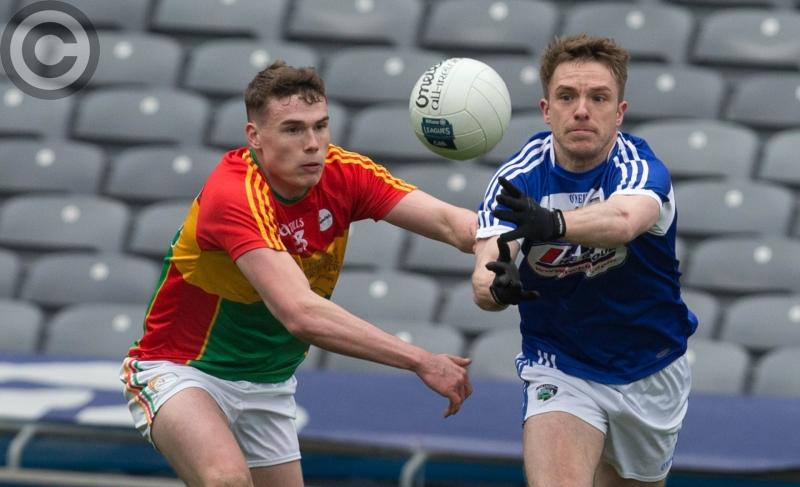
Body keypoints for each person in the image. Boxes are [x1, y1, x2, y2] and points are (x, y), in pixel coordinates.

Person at [120, 60, 475, 487]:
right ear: (255, 136)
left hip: (269, 382)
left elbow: (454, 225)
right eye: (293, 129)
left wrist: (525, 236)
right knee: (227, 480)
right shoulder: (234, 193)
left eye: (320, 126)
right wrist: (420, 360)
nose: (313, 144)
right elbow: (300, 313)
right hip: (184, 369)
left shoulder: (345, 173)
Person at [471, 34, 696, 487]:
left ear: (620, 112)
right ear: (546, 109)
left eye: (598, 97)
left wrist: (552, 223)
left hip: (650, 365)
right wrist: (496, 288)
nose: (581, 110)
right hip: (560, 363)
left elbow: (624, 220)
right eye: (567, 96)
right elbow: (484, 273)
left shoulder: (639, 167)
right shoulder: (518, 178)